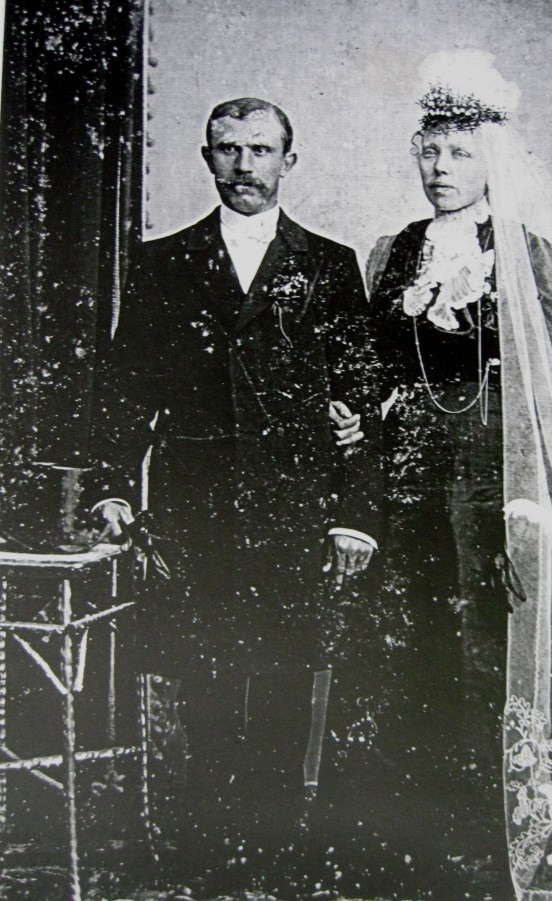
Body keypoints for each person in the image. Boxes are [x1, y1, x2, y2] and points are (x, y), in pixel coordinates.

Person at [337, 50, 552, 900]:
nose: (441, 168)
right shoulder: (393, 254)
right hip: (407, 484)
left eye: (460, 153)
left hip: (495, 487)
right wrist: (361, 409)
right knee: (409, 645)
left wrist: (527, 499)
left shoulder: (530, 258)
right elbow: (376, 367)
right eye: (430, 151)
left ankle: (501, 838)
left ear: (492, 159)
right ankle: (419, 832)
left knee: (486, 651)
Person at [89, 97, 388, 898]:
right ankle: (207, 852)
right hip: (195, 507)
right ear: (206, 157)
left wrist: (354, 515)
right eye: (228, 149)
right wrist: (113, 487)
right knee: (205, 676)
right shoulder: (163, 262)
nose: (244, 165)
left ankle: (278, 853)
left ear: (290, 160)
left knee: (287, 678)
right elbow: (125, 390)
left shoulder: (329, 265)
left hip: (295, 506)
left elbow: (361, 396)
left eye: (260, 149)